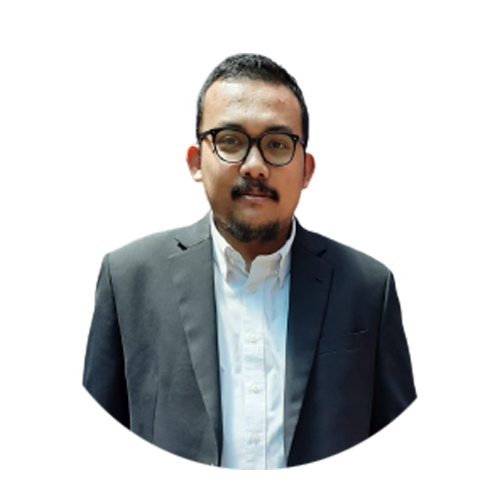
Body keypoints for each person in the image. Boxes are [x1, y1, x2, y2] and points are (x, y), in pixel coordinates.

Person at [82, 54, 418, 470]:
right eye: (231, 140)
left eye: (277, 144)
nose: (255, 166)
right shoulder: (130, 281)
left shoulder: (366, 288)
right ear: (196, 164)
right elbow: (99, 444)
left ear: (307, 168)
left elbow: (397, 449)